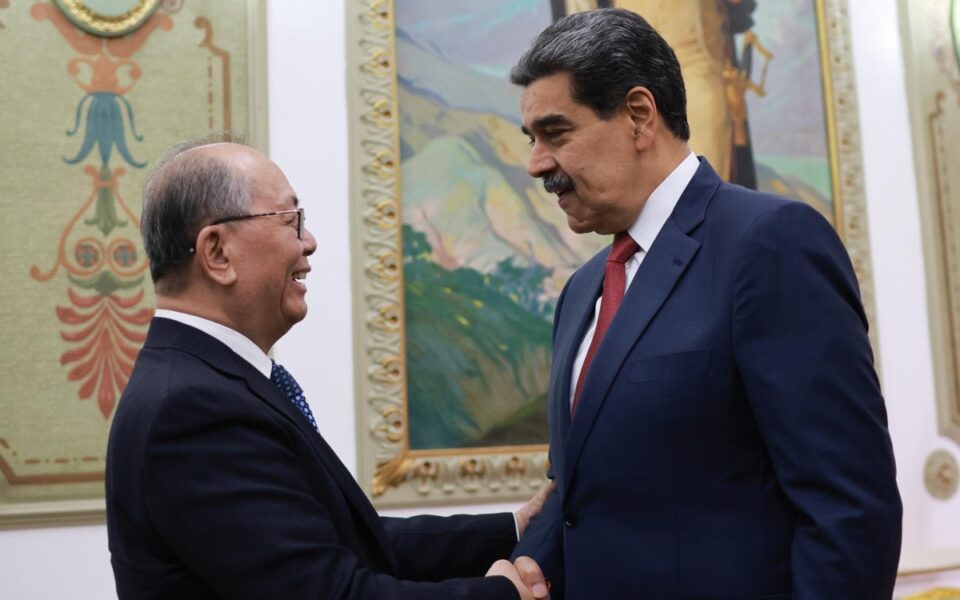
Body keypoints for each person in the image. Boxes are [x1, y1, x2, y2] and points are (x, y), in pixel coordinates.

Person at [508, 8, 902, 599]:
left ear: (639, 116)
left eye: (556, 133)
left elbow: (849, 508)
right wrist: (521, 569)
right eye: (531, 139)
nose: (536, 163)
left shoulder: (771, 244)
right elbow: (579, 495)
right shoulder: (583, 290)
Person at [105, 138, 550, 599]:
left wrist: (514, 527)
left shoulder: (204, 382)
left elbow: (342, 540)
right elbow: (330, 592)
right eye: (291, 220)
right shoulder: (194, 410)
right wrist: (503, 595)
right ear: (217, 252)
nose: (309, 242)